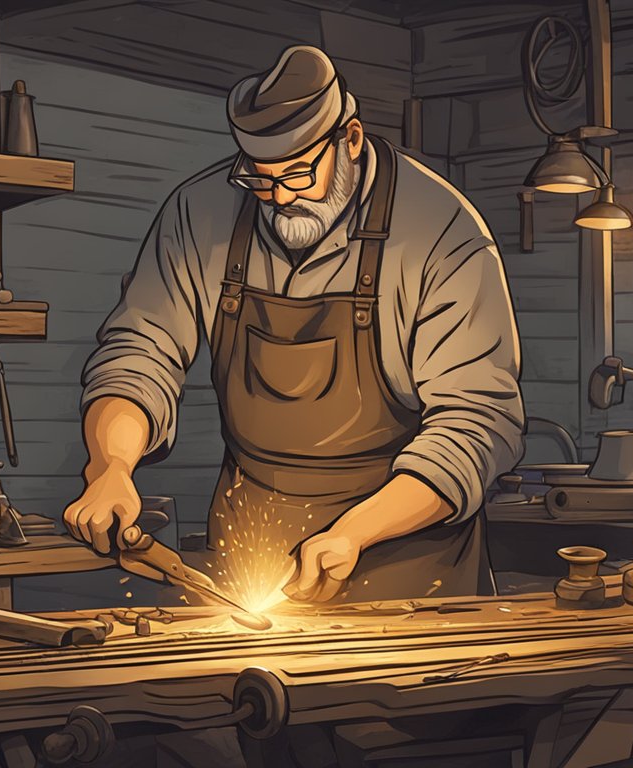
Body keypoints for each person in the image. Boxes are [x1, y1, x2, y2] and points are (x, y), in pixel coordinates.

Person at [63, 45, 525, 603]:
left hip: (404, 556)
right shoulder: (198, 213)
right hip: (250, 549)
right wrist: (112, 464)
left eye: (300, 173)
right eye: (260, 179)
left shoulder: (441, 231)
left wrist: (355, 532)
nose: (280, 197)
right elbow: (139, 353)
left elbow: (478, 420)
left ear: (350, 139)